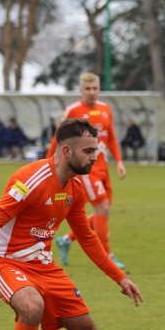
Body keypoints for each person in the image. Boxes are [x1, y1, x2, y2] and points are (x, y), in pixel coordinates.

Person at [0, 118, 143, 330]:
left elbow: (87, 239)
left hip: (44, 265)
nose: (95, 157)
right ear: (66, 151)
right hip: (8, 262)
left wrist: (120, 278)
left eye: (97, 150)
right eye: (89, 150)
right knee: (31, 307)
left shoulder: (75, 188)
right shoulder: (29, 180)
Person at [49, 72, 127, 269]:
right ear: (81, 90)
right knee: (103, 208)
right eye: (88, 89)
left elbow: (111, 138)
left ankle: (66, 240)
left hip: (104, 168)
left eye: (95, 88)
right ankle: (108, 256)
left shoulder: (106, 109)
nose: (92, 92)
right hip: (86, 169)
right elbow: (58, 138)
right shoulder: (73, 111)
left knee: (103, 214)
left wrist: (119, 161)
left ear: (99, 89)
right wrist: (48, 162)